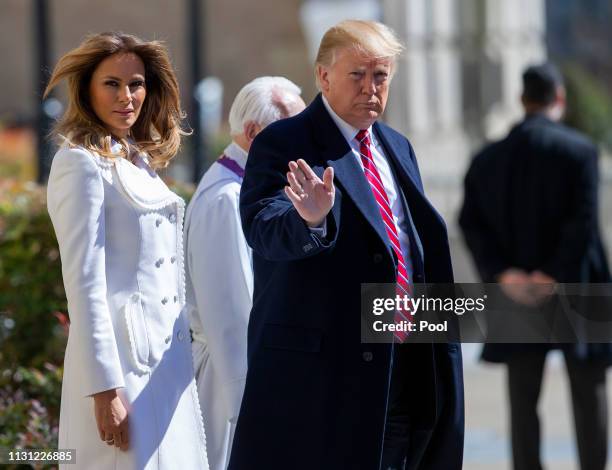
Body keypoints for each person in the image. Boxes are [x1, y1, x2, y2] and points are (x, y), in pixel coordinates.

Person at [229, 20, 464, 470]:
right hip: (325, 380)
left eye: (381, 77)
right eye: (357, 75)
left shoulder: (396, 146)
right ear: (323, 76)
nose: (370, 89)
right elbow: (263, 228)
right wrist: (308, 219)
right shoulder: (285, 141)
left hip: (404, 365)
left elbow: (410, 248)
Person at [45, 32, 209, 470]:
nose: (127, 96)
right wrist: (104, 389)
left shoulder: (135, 158)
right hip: (123, 368)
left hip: (164, 362)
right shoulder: (79, 162)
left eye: (136, 83)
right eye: (111, 84)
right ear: (87, 89)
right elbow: (84, 286)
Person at [459, 63, 611, 470]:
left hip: (514, 290)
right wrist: (553, 273)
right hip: (576, 283)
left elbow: (469, 221)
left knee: (523, 398)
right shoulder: (580, 151)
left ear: (521, 100)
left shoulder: (487, 158)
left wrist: (503, 273)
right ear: (558, 98)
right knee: (589, 389)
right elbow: (583, 222)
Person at [184, 76, 305, 470]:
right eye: (293, 129)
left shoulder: (248, 185)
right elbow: (234, 318)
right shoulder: (226, 199)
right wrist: (254, 411)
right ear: (254, 133)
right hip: (233, 391)